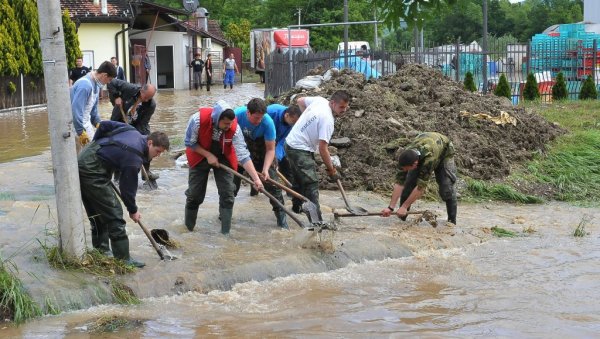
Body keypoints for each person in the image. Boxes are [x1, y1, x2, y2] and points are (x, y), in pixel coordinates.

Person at [78, 120, 170, 268]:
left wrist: (98, 145)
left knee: (98, 215)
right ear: (150, 143)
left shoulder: (132, 130)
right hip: (92, 170)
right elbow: (127, 190)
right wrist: (133, 210)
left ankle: (101, 253)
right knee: (115, 215)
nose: (158, 155)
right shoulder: (134, 157)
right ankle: (123, 260)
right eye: (157, 151)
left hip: (85, 157)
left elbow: (104, 125)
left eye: (161, 153)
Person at [184, 100, 264, 235]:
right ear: (217, 119)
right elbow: (189, 142)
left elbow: (243, 155)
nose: (229, 126)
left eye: (231, 123)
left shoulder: (235, 128)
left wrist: (256, 179)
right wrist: (208, 155)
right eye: (226, 123)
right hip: (199, 153)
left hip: (224, 156)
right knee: (194, 195)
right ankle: (188, 230)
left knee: (228, 194)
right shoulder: (197, 120)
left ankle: (225, 234)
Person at [284, 90, 351, 221]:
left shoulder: (320, 100)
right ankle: (317, 222)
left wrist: (306, 120)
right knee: (311, 184)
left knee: (299, 179)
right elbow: (323, 148)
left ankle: (296, 208)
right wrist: (331, 170)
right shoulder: (328, 120)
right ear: (332, 103)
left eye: (346, 107)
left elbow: (300, 101)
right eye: (341, 107)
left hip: (290, 143)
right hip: (299, 149)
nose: (344, 110)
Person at [233, 98, 288, 229]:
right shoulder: (236, 116)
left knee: (273, 187)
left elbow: (270, 149)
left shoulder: (267, 122)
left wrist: (266, 169)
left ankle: (282, 221)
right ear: (248, 113)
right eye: (256, 118)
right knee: (231, 186)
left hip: (262, 150)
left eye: (261, 118)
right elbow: (228, 139)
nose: (258, 121)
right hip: (241, 149)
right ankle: (224, 216)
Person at [381, 132, 457, 225]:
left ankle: (452, 222)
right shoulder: (407, 155)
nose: (405, 170)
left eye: (406, 169)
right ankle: (401, 221)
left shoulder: (429, 160)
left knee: (446, 188)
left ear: (415, 164)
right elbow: (400, 182)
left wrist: (404, 207)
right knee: (408, 187)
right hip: (425, 146)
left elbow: (420, 188)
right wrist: (390, 208)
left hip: (444, 152)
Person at [107, 79, 158, 180]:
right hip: (119, 121)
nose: (147, 100)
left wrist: (136, 135)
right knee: (119, 146)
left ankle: (145, 171)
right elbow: (111, 83)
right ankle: (117, 175)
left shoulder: (151, 105)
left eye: (150, 98)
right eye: (146, 97)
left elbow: (143, 123)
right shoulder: (129, 89)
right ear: (141, 91)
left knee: (148, 142)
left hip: (136, 125)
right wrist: (116, 96)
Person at [70, 60, 116, 153]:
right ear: (104, 75)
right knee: (83, 155)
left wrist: (97, 123)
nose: (108, 82)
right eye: (109, 79)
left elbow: (93, 109)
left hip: (86, 123)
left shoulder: (96, 84)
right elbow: (76, 110)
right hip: (75, 126)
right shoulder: (85, 85)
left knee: (93, 152)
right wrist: (80, 132)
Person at [266, 103, 302, 203]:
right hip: (263, 140)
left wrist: (276, 157)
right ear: (287, 115)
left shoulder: (293, 125)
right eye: (293, 122)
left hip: (278, 142)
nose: (293, 124)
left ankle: (291, 195)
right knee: (263, 167)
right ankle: (254, 191)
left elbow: (283, 142)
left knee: (287, 167)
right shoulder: (271, 111)